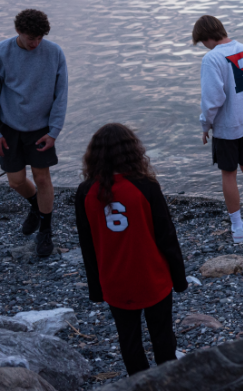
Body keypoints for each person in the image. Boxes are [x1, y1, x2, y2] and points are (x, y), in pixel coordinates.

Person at [75, 123, 188, 376]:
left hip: (115, 282)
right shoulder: (146, 187)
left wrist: (96, 289)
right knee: (162, 337)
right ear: (132, 152)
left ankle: (140, 383)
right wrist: (179, 280)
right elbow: (167, 237)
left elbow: (88, 246)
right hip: (152, 278)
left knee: (129, 341)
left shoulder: (85, 193)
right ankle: (169, 381)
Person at [193, 15, 243, 245]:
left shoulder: (212, 58)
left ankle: (237, 227)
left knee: (229, 174)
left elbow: (212, 99)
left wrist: (205, 125)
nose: (203, 46)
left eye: (201, 42)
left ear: (206, 37)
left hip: (227, 126)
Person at [0, 9, 68, 258]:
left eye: (39, 38)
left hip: (42, 129)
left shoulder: (54, 52)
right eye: (31, 38)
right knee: (16, 181)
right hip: (9, 127)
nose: (35, 43)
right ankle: (36, 208)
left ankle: (45, 231)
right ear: (19, 32)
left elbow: (61, 95)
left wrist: (54, 132)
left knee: (42, 179)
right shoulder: (3, 52)